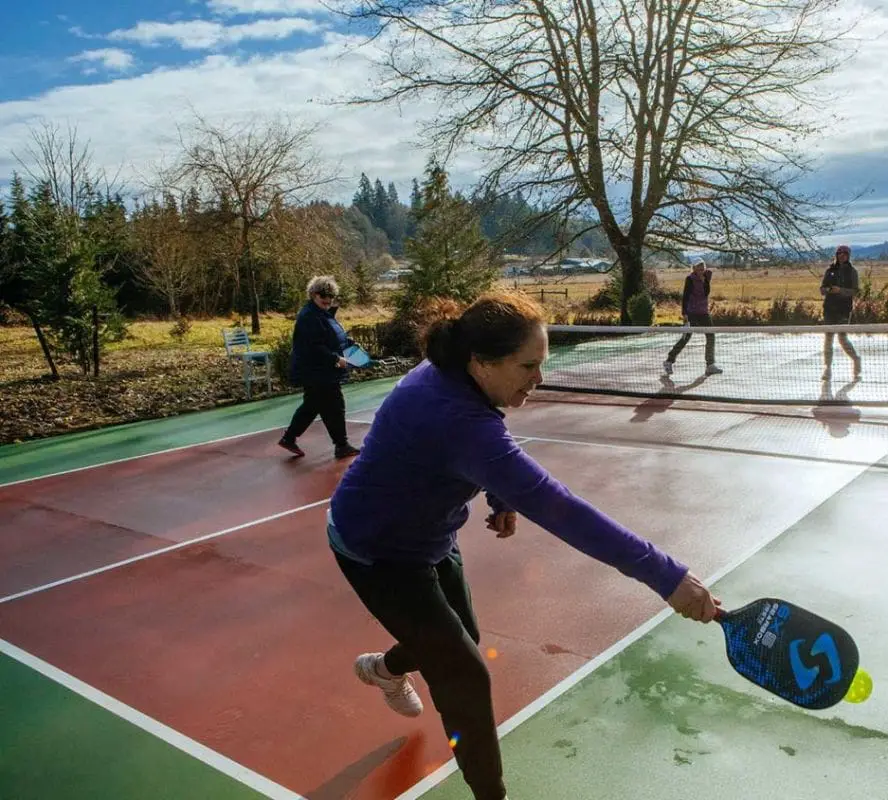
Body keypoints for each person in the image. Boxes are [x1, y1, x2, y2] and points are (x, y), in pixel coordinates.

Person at [326, 290, 720, 800]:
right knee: (465, 675)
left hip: (427, 534)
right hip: (376, 550)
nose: (539, 378)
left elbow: (476, 463)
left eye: (543, 363)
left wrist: (498, 494)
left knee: (453, 644)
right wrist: (665, 576)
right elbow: (557, 506)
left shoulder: (458, 378)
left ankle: (382, 669)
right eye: (528, 366)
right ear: (480, 363)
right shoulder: (455, 418)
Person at [278, 276, 361, 459]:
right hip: (315, 370)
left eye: (331, 295)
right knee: (335, 404)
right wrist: (335, 358)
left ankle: (289, 438)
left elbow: (332, 336)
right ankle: (341, 445)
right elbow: (314, 346)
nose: (328, 299)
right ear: (313, 294)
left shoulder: (322, 313)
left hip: (319, 370)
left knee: (312, 405)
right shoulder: (309, 316)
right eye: (323, 295)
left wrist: (349, 344)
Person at [663, 259, 722, 376]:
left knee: (711, 335)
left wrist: (705, 278)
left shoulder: (706, 277)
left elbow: (706, 291)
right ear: (694, 268)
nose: (701, 270)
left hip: (703, 312)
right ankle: (669, 361)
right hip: (691, 312)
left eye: (703, 268)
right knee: (686, 337)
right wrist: (684, 313)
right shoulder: (689, 279)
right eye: (699, 268)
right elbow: (685, 296)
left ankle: (710, 365)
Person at [819, 245, 862, 381]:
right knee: (828, 339)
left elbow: (855, 291)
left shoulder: (852, 272)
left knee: (842, 339)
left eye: (844, 253)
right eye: (839, 253)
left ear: (848, 255)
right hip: (829, 309)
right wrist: (828, 290)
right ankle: (827, 368)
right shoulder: (830, 270)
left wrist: (841, 291)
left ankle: (855, 359)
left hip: (844, 309)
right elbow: (822, 289)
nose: (842, 255)